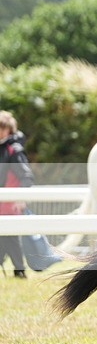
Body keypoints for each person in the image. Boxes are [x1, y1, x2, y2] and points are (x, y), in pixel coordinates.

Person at [0, 110, 35, 278]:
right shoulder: (3, 148)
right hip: (3, 203)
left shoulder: (14, 150)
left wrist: (21, 198)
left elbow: (26, 176)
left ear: (8, 129)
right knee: (6, 239)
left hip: (9, 203)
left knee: (10, 239)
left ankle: (19, 270)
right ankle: (19, 270)